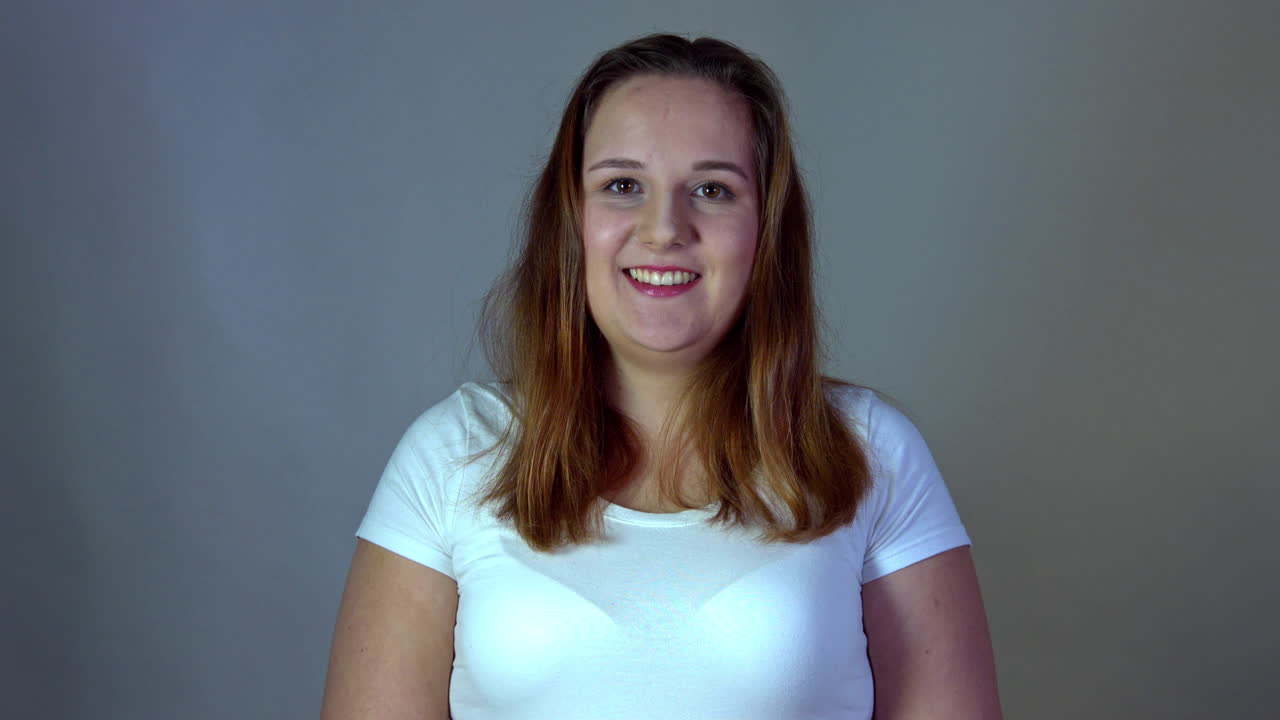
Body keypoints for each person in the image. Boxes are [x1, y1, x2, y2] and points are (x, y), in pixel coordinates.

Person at [321, 33, 1002, 719]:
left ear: (766, 230)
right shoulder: (449, 456)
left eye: (712, 189)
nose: (663, 228)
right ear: (571, 222)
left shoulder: (871, 453)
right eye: (622, 186)